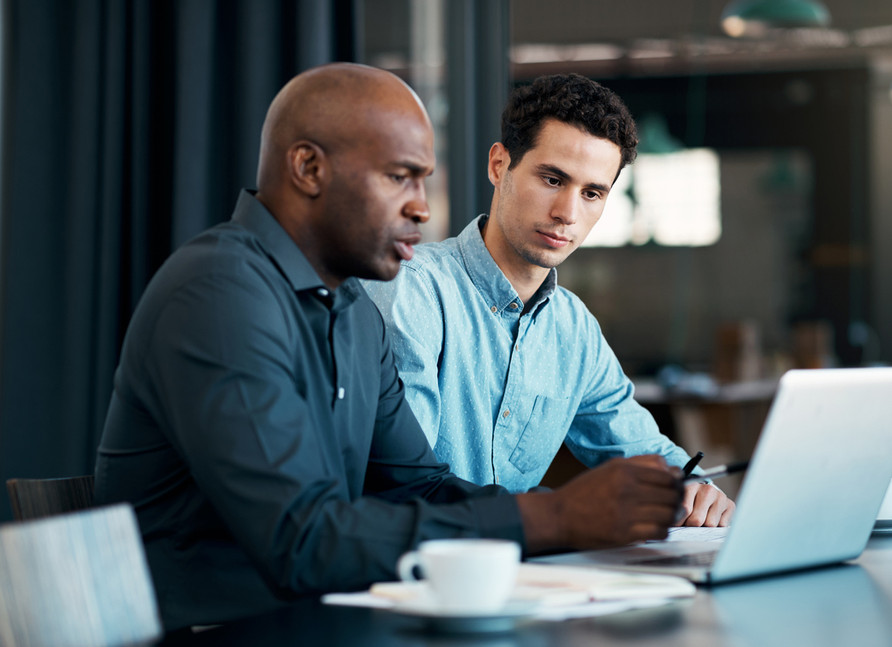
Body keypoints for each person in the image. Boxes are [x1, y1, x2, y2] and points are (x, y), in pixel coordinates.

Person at [93, 63, 685, 632]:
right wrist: (554, 517)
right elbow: (301, 541)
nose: (422, 207)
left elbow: (418, 484)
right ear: (308, 168)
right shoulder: (219, 293)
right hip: (211, 627)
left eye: (423, 180)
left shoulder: (350, 310)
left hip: (326, 614)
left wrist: (581, 512)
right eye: (399, 177)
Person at [365, 73, 734, 527]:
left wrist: (700, 492)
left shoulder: (573, 328)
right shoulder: (412, 290)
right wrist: (560, 512)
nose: (568, 213)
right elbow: (405, 484)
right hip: (424, 577)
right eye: (553, 179)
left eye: (592, 193)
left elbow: (643, 449)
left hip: (529, 579)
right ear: (500, 165)